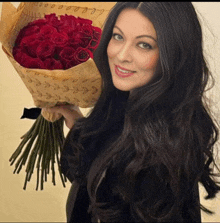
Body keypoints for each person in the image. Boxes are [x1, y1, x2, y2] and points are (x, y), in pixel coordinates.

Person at [45, 2, 220, 222]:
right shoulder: (130, 110)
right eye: (118, 37)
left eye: (144, 45)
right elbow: (95, 181)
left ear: (173, 55)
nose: (122, 55)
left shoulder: (161, 159)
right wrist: (81, 125)